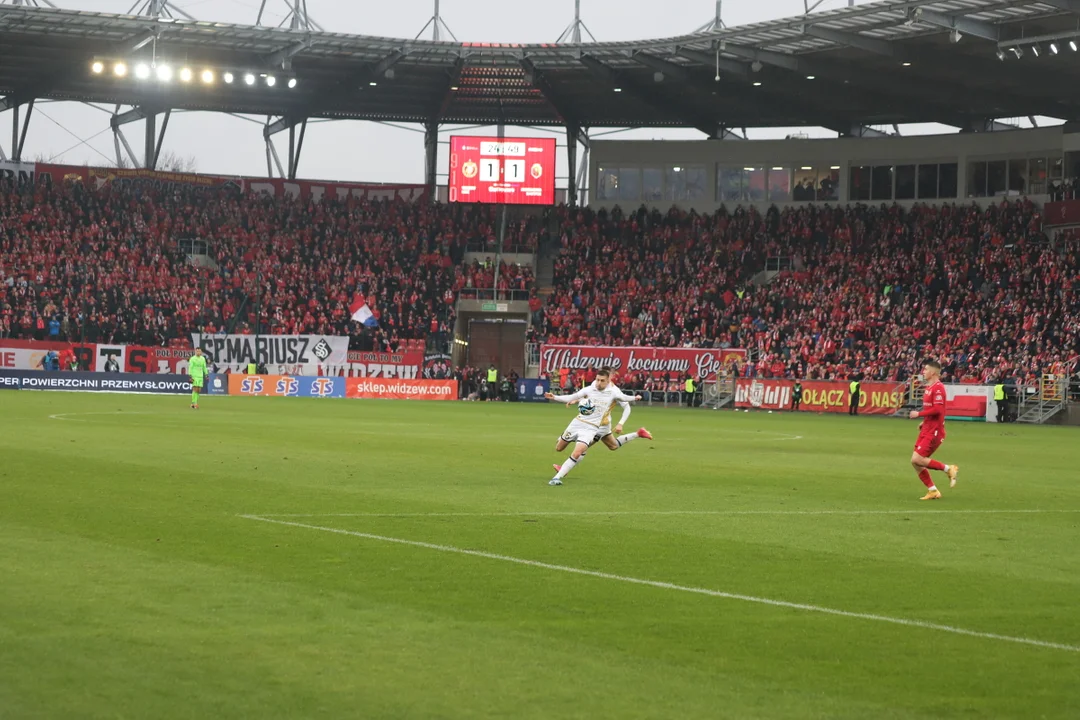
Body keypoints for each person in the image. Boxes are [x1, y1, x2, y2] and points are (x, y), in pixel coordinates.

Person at [544, 368, 648, 486]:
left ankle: (561, 473)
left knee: (580, 450)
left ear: (610, 378)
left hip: (599, 426)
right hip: (581, 422)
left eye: (602, 380)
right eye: (597, 379)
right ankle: (639, 433)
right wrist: (572, 399)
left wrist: (621, 422)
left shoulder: (615, 391)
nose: (598, 382)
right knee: (612, 446)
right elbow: (586, 397)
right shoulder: (593, 386)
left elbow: (626, 402)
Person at [907, 360, 959, 500]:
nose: (923, 372)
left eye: (925, 369)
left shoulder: (938, 388)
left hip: (935, 431)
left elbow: (938, 409)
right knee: (915, 461)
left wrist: (919, 414)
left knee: (918, 459)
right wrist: (924, 422)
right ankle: (933, 490)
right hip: (927, 428)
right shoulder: (929, 387)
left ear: (933, 372)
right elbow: (931, 409)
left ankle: (949, 469)